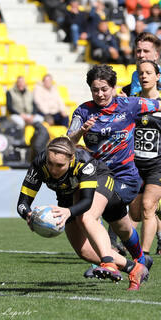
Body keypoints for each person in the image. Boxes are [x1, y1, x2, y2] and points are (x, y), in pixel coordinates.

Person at [17, 136, 149, 290]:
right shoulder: (39, 164)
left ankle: (109, 262)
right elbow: (22, 203)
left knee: (87, 218)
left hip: (100, 181)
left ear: (71, 158)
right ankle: (135, 269)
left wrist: (68, 211)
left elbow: (86, 201)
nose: (53, 170)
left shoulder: (84, 162)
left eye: (59, 165)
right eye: (50, 163)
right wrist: (28, 215)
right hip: (67, 196)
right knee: (84, 251)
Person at [67, 64, 161, 270]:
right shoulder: (83, 111)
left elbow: (158, 104)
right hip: (97, 177)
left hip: (125, 179)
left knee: (90, 213)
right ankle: (141, 261)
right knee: (123, 228)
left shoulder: (130, 105)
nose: (100, 94)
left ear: (113, 87)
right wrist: (80, 132)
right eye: (95, 90)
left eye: (104, 89)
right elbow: (68, 143)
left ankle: (106, 262)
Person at [127, 60, 161, 262]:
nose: (144, 76)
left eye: (149, 73)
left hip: (158, 166)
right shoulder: (132, 104)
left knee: (149, 206)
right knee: (136, 213)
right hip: (135, 166)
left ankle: (143, 256)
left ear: (157, 77)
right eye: (141, 73)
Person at [121, 32, 161, 97]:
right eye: (138, 51)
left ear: (156, 55)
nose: (141, 55)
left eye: (146, 51)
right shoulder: (126, 91)